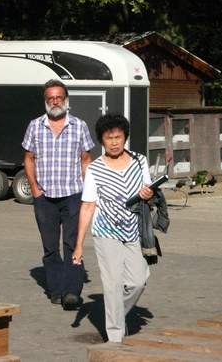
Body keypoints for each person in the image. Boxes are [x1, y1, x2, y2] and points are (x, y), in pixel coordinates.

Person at [72, 113, 153, 343]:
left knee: (138, 281)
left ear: (125, 137)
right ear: (102, 140)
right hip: (106, 232)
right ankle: (115, 337)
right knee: (113, 284)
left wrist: (148, 193)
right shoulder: (95, 169)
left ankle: (116, 313)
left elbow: (147, 189)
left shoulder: (139, 161)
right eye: (109, 138)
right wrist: (79, 245)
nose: (115, 142)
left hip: (135, 229)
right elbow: (88, 206)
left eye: (118, 136)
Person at [22, 79, 95, 310]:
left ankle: (72, 291)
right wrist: (35, 190)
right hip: (45, 198)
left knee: (73, 244)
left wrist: (89, 191)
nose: (55, 102)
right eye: (50, 98)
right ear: (46, 101)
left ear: (66, 100)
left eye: (59, 98)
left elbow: (86, 160)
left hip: (74, 195)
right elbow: (28, 159)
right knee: (50, 247)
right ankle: (56, 290)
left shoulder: (79, 125)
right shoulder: (35, 126)